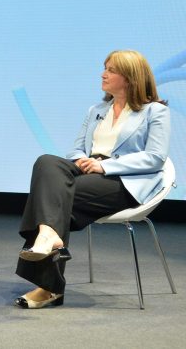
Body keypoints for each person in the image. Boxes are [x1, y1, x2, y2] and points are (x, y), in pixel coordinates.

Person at [14, 50, 170, 309]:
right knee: (46, 162)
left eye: (111, 70)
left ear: (130, 77)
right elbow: (77, 149)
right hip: (89, 172)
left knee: (57, 197)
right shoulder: (97, 110)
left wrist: (104, 166)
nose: (103, 74)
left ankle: (48, 284)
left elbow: (155, 157)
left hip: (123, 181)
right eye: (104, 68)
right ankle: (48, 236)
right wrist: (82, 162)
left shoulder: (155, 111)